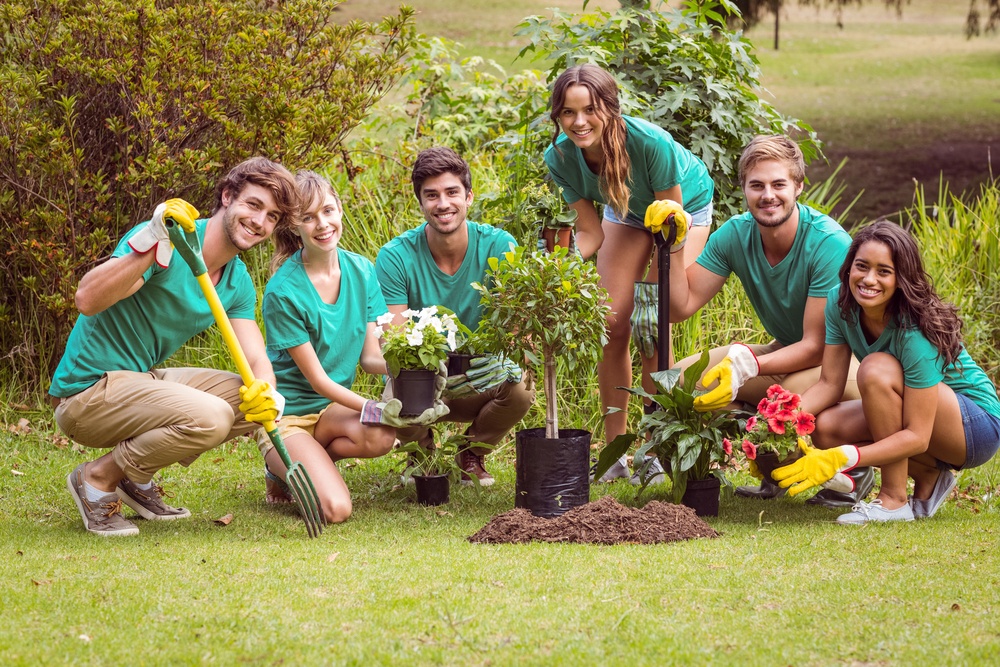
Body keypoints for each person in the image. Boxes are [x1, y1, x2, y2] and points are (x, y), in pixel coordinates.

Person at [50, 157, 297, 536]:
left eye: (272, 216)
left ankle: (135, 475)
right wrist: (152, 243)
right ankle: (98, 477)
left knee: (247, 401)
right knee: (212, 415)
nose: (260, 222)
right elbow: (87, 299)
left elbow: (254, 357)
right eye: (253, 204)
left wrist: (269, 392)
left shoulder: (236, 280)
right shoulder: (168, 238)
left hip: (139, 380)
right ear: (228, 196)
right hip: (88, 392)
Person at [667, 135, 873, 506]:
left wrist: (747, 367)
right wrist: (673, 246)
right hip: (787, 353)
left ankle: (853, 469)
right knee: (679, 380)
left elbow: (816, 346)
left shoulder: (827, 243)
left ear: (798, 187)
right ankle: (770, 468)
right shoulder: (735, 234)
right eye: (756, 185)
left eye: (779, 184)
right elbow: (681, 306)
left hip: (846, 362)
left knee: (784, 395)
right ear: (743, 188)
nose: (768, 195)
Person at [543, 63, 715, 483]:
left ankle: (654, 450)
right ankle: (616, 454)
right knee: (611, 324)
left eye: (589, 110)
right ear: (558, 115)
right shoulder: (560, 157)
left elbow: (670, 223)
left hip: (680, 212)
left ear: (610, 108)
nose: (579, 122)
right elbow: (590, 233)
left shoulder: (650, 143)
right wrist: (553, 269)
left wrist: (653, 290)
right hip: (624, 212)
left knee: (651, 325)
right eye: (568, 112)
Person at [772, 221, 1000, 523]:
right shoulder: (839, 303)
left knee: (876, 368)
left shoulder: (913, 330)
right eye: (862, 266)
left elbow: (918, 436)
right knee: (825, 428)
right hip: (921, 414)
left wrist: (846, 457)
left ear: (901, 278)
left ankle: (893, 500)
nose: (869, 279)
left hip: (975, 425)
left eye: (884, 271)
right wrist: (777, 423)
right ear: (849, 267)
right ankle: (929, 474)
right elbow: (829, 384)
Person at [259, 171, 449, 521]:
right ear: (294, 226)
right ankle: (280, 467)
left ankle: (310, 465)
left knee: (381, 437)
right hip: (289, 418)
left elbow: (370, 357)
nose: (322, 224)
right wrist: (376, 407)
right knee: (336, 510)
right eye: (308, 217)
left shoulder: (361, 270)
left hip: (329, 412)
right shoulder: (283, 291)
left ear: (340, 209)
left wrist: (420, 368)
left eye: (328, 210)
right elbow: (318, 382)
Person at [375, 147, 534, 486]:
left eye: (451, 193)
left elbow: (518, 325)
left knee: (522, 386)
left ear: (469, 197)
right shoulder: (395, 256)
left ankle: (470, 452)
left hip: (481, 374)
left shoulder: (499, 246)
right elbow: (395, 338)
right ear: (420, 203)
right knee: (399, 391)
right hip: (424, 375)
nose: (442, 204)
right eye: (431, 196)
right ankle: (424, 454)